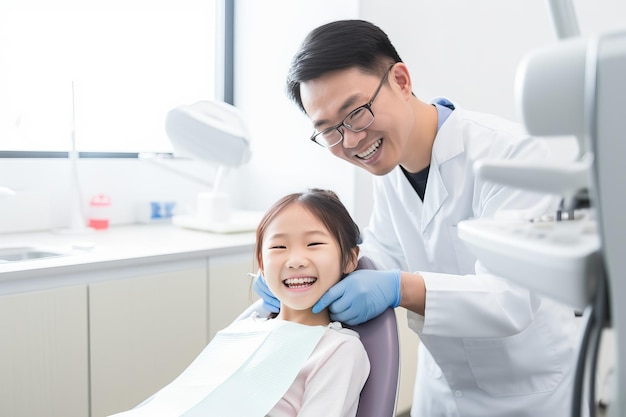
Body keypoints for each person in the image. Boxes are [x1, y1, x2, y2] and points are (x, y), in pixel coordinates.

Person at [253, 19, 580, 417]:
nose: (351, 140)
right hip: (443, 389)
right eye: (329, 131)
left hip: (531, 391)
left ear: (402, 81)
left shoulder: (511, 155)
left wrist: (398, 288)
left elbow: (511, 298)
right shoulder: (389, 171)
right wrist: (307, 271)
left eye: (356, 112)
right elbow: (383, 254)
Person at [110, 188, 370, 417]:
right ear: (262, 265)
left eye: (314, 243)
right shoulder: (244, 329)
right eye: (279, 248)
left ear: (349, 258)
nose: (295, 260)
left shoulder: (337, 350)